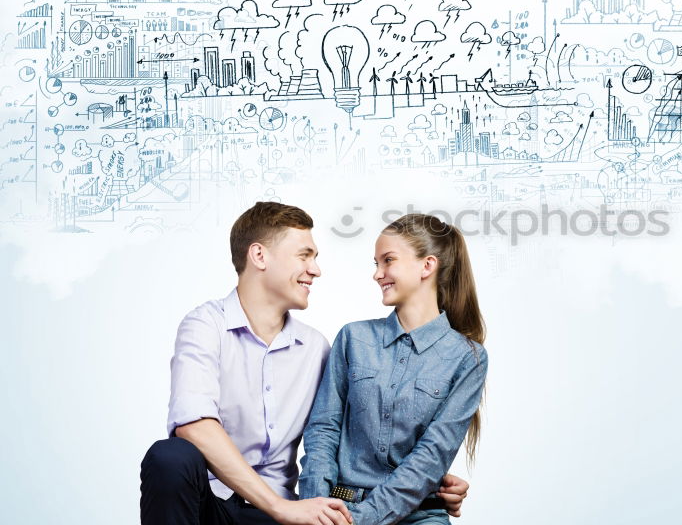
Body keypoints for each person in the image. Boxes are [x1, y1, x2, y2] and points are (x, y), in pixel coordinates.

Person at [139, 202, 471, 525]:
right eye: (304, 255)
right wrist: (281, 508)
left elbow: (341, 432)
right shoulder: (205, 326)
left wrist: (429, 482)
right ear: (259, 256)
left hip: (283, 513)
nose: (315, 269)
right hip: (220, 505)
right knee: (170, 458)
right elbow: (193, 425)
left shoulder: (316, 348)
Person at [298, 214, 488, 525]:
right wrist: (315, 508)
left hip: (419, 515)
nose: (377, 274)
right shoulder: (353, 338)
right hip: (337, 508)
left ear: (427, 266)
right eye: (376, 263)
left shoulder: (468, 359)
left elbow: (430, 458)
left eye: (388, 261)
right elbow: (323, 429)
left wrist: (359, 521)